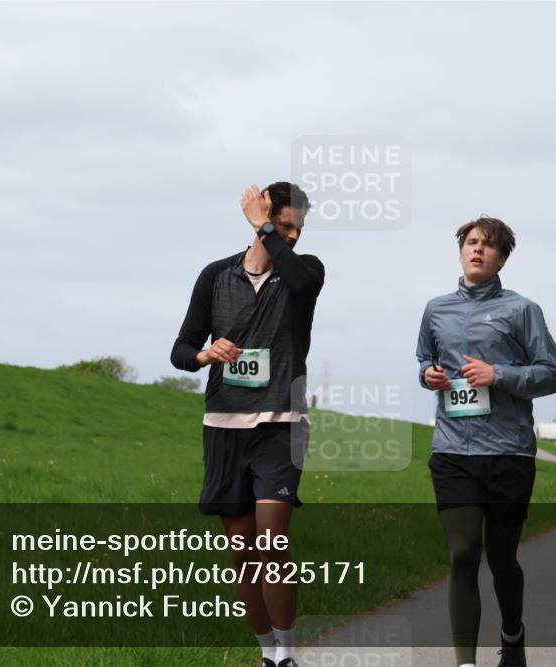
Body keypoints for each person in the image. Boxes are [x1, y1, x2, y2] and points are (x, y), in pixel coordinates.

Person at [170, 182, 323, 667]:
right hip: (224, 427)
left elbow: (298, 279)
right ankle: (266, 654)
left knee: (273, 543)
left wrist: (264, 228)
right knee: (243, 555)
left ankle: (287, 657)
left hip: (282, 425)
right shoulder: (215, 276)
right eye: (284, 225)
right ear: (265, 218)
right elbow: (180, 349)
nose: (293, 235)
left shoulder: (304, 273)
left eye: (298, 227)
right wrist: (204, 353)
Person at [417, 216, 556, 667]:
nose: (478, 250)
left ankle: (512, 635)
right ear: (461, 249)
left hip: (508, 453)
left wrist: (497, 375)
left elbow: (552, 374)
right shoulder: (435, 309)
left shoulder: (523, 310)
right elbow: (425, 359)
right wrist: (429, 376)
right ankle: (465, 662)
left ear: (502, 257)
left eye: (488, 246)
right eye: (471, 242)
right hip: (453, 450)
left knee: (502, 558)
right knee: (463, 553)